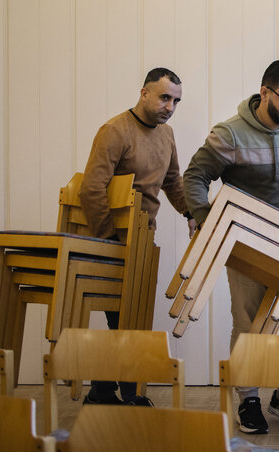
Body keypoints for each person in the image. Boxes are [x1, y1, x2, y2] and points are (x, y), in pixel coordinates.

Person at [183, 60, 279, 434]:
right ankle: (249, 399)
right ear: (265, 92)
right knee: (249, 321)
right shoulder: (230, 134)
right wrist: (203, 216)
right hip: (246, 240)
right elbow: (196, 175)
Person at [80, 67, 196, 406]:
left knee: (131, 317)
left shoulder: (167, 134)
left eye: (175, 101)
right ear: (144, 93)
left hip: (146, 236)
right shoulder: (114, 131)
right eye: (164, 97)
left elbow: (173, 182)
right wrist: (110, 241)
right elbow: (92, 189)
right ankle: (129, 393)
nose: (169, 106)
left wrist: (190, 212)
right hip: (112, 241)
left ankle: (101, 389)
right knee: (124, 318)